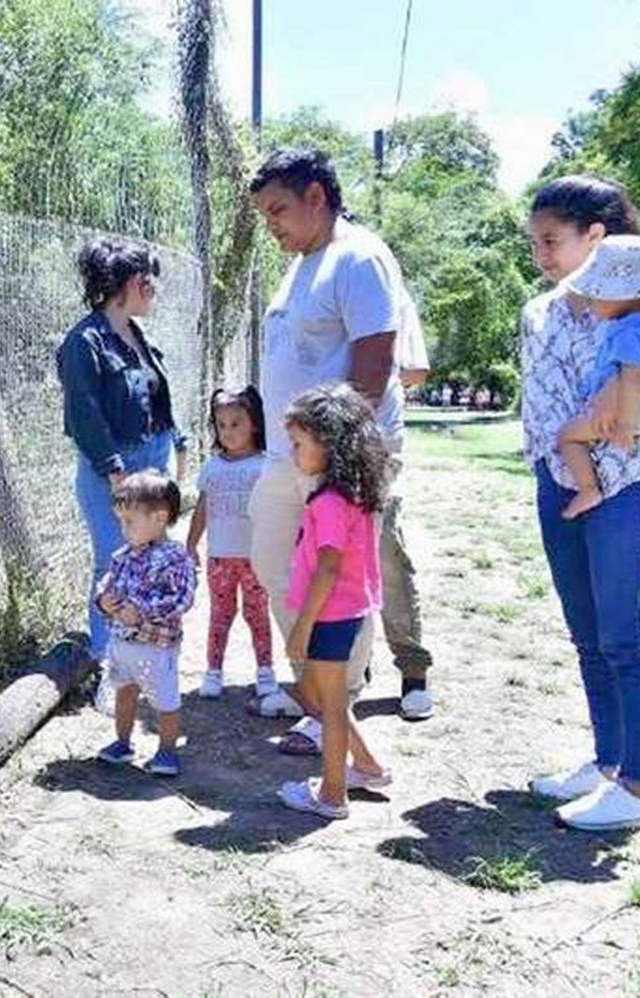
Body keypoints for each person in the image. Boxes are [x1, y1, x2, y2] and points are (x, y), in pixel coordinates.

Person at [244, 148, 436, 750]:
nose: (270, 222)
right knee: (275, 563)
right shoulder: (301, 263)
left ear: (317, 198)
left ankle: (334, 708)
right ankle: (314, 688)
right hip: (286, 455)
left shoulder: (359, 258)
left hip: (336, 458)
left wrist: (331, 456)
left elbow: (375, 363)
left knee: (337, 583)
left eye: (278, 209)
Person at [522, 176, 640, 831]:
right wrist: (553, 466)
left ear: (597, 236)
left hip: (632, 485)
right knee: (588, 637)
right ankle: (609, 764)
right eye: (535, 242)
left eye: (551, 240)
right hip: (561, 482)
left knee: (624, 636)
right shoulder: (541, 311)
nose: (540, 254)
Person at [58, 238, 186, 664]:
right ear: (134, 281)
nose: (154, 291)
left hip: (153, 460)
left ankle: (148, 650)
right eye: (150, 281)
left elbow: (157, 396)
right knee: (115, 562)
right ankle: (107, 656)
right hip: (110, 470)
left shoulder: (137, 333)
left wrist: (177, 446)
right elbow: (83, 414)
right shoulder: (84, 340)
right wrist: (116, 473)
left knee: (152, 560)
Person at [276, 385, 393, 819]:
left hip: (328, 616)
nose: (293, 453)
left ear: (329, 445)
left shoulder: (328, 502)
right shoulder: (354, 494)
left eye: (299, 444)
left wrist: (303, 626)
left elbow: (327, 567)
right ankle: (367, 766)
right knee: (330, 701)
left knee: (327, 705)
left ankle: (331, 794)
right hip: (347, 612)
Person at [92, 471, 196, 775]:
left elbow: (181, 598)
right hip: (122, 643)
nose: (123, 529)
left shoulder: (174, 557)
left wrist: (142, 611)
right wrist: (103, 601)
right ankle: (123, 742)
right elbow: (107, 583)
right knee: (124, 691)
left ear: (160, 518)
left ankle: (167, 751)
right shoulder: (123, 556)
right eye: (121, 521)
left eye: (129, 521)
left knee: (164, 698)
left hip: (156, 645)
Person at [554, 235, 640, 519]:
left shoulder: (629, 331)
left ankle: (588, 488)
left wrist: (625, 425)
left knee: (567, 436)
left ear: (623, 295)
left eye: (595, 295)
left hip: (635, 410)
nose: (590, 304)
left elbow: (634, 378)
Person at [185, 386, 277, 699]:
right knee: (221, 614)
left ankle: (265, 671)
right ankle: (213, 671)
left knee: (257, 614)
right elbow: (202, 508)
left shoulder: (266, 465)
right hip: (220, 557)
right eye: (221, 425)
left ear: (255, 424)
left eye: (236, 423)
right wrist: (191, 544)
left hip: (256, 558)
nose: (228, 431)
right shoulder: (212, 467)